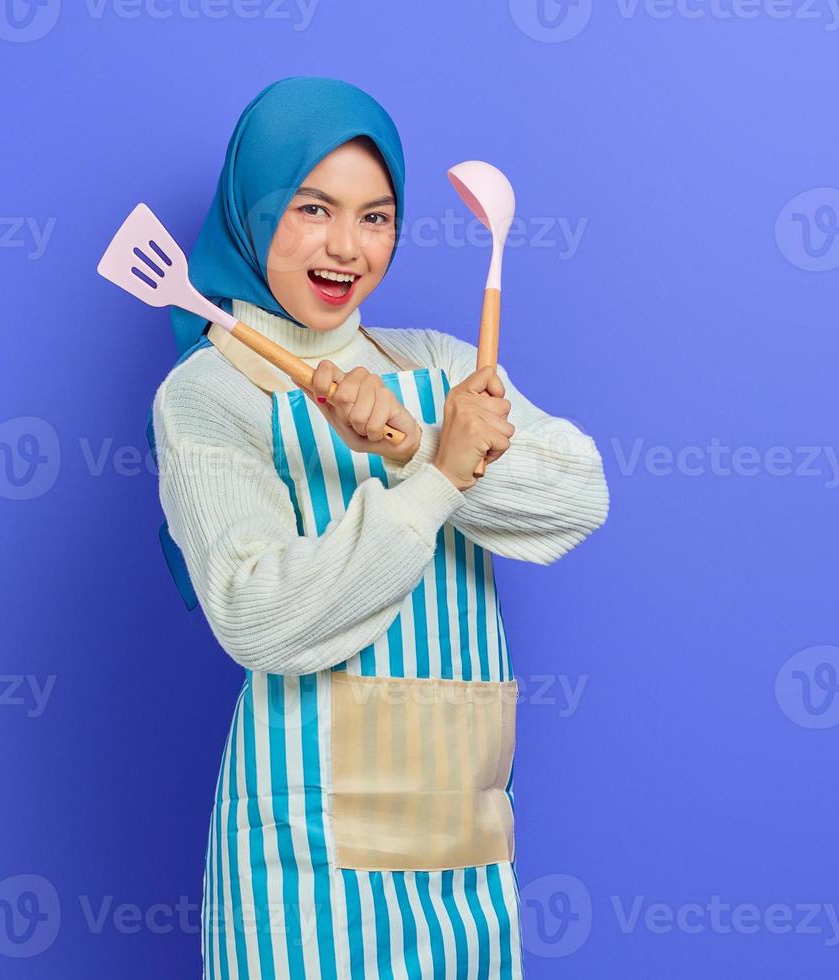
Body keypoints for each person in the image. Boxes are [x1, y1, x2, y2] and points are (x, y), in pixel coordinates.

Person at [147, 74, 609, 980]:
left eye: (375, 216)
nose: (345, 248)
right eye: (313, 209)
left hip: (460, 845)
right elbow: (255, 613)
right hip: (302, 850)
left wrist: (410, 442)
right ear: (252, 210)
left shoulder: (437, 364)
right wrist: (435, 478)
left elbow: (577, 498)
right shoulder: (208, 393)